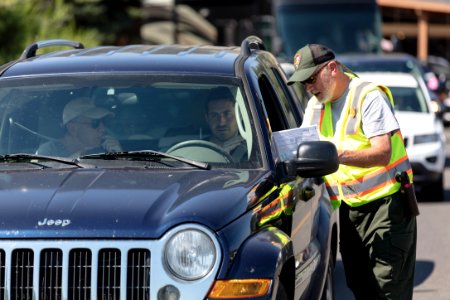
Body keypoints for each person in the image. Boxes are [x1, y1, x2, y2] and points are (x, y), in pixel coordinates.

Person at [287, 44, 417, 300]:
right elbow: (302, 150)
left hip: (386, 210)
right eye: (303, 83)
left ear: (331, 69)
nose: (309, 88)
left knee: (387, 291)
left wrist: (336, 155)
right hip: (348, 210)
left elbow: (383, 152)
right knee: (361, 288)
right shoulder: (315, 106)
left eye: (311, 79)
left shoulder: (367, 96)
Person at [37, 97, 122, 158]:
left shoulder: (105, 150)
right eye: (95, 123)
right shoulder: (48, 152)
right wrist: (80, 158)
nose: (102, 129)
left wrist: (119, 156)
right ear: (72, 129)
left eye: (103, 122)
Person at [205, 87, 247, 161]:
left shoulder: (254, 152)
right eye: (214, 115)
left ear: (240, 116)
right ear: (207, 119)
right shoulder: (195, 149)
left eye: (227, 114)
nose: (221, 122)